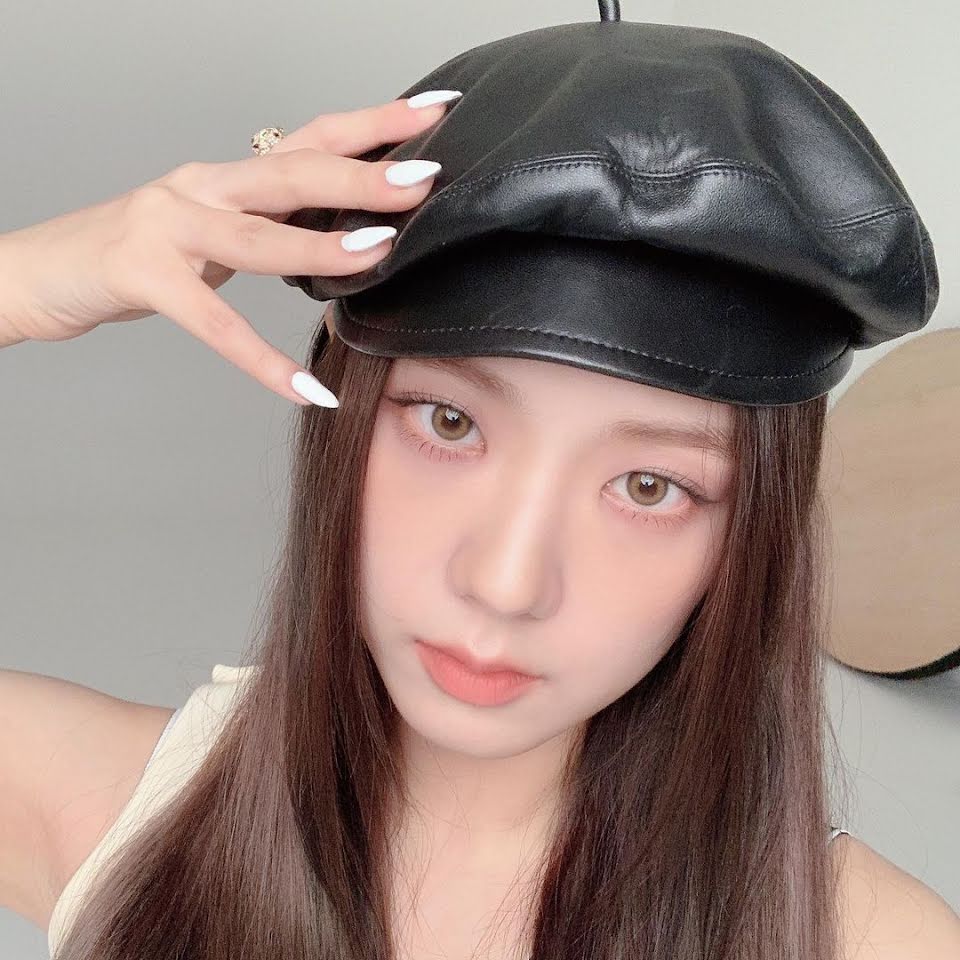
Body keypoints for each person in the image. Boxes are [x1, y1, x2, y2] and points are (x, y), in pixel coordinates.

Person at [2, 14, 959, 960]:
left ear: (751, 535)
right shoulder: (116, 814)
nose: (505, 583)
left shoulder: (870, 942)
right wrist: (26, 282)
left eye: (649, 486)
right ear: (345, 418)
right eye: (450, 424)